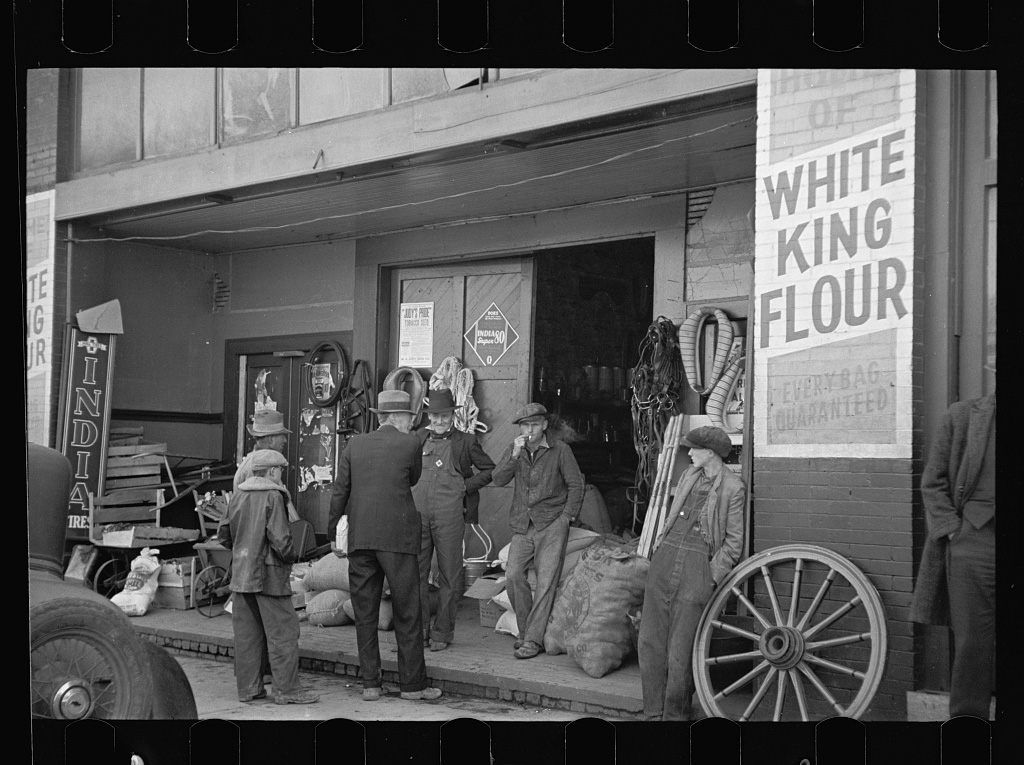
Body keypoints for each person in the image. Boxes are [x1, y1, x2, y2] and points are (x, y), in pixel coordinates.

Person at [328, 389, 443, 702]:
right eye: (409, 417)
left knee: (365, 613)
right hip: (398, 538)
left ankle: (370, 685)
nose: (411, 422)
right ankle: (413, 687)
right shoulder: (410, 443)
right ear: (400, 417)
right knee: (408, 612)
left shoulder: (354, 443)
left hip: (361, 538)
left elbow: (340, 490)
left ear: (381, 417)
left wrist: (331, 529)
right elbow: (414, 479)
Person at [638, 425, 745, 721]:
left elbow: (733, 544)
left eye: (693, 448)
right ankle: (652, 713)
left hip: (697, 564)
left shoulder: (732, 488)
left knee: (681, 648)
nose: (688, 452)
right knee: (650, 640)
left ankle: (675, 715)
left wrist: (709, 576)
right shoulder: (688, 475)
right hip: (666, 557)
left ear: (710, 453)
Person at [910, 391, 996, 719]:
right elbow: (933, 482)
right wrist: (952, 530)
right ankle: (967, 727)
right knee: (973, 642)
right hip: (973, 542)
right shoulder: (963, 416)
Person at [217, 449, 319, 705]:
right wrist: (291, 557)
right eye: (280, 471)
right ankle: (287, 691)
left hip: (241, 575)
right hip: (269, 577)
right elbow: (281, 540)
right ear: (272, 472)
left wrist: (242, 552)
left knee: (247, 637)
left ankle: (248, 690)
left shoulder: (238, 494)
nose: (280, 475)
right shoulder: (273, 495)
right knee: (284, 633)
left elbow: (223, 536)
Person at [491, 402, 584, 659]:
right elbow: (498, 479)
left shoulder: (560, 450)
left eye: (533, 424)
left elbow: (576, 485)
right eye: (524, 425)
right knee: (513, 575)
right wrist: (514, 455)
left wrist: (567, 517)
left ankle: (532, 640)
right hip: (523, 523)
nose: (528, 429)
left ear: (544, 425)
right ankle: (525, 632)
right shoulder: (515, 449)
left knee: (546, 581)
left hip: (553, 522)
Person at [414, 388, 496, 652]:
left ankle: (442, 632)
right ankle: (418, 632)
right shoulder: (417, 438)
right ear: (429, 417)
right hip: (418, 517)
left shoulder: (466, 441)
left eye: (444, 416)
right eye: (435, 416)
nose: (439, 421)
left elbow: (489, 470)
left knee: (450, 576)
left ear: (452, 416)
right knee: (416, 574)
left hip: (450, 516)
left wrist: (464, 486)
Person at [234, 409, 300, 523]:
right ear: (270, 439)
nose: (284, 440)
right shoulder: (254, 467)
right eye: (282, 435)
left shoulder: (265, 463)